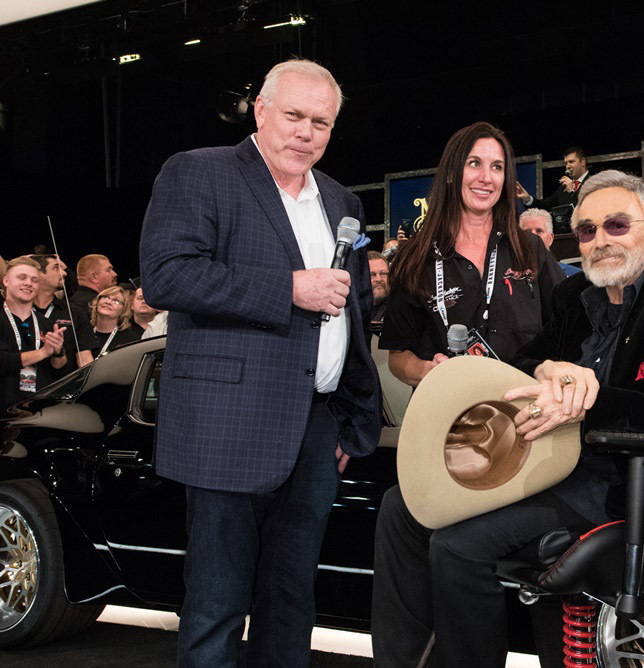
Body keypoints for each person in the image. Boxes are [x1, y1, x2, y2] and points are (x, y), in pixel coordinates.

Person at [371, 169, 644, 666]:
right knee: (400, 510)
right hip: (551, 462)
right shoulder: (572, 298)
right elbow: (517, 367)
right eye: (587, 231)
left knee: (459, 546)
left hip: (624, 481)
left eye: (616, 226)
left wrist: (593, 400)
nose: (600, 240)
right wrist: (547, 367)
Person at [139, 58, 381, 666]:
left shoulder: (340, 198)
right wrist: (287, 289)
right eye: (294, 115)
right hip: (228, 425)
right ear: (261, 109)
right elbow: (168, 275)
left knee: (291, 601)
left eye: (321, 122)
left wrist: (354, 416)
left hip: (316, 428)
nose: (306, 132)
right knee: (217, 603)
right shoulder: (199, 172)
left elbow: (352, 316)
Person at [380, 121, 565, 387]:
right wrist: (426, 370)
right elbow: (397, 355)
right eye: (474, 163)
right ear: (451, 173)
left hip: (525, 412)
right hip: (450, 415)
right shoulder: (415, 258)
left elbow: (568, 326)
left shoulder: (530, 249)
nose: (486, 178)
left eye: (497, 167)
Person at [1, 257, 67, 408]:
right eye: (21, 277)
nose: (28, 283)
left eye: (34, 280)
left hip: (38, 411)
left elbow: (60, 370)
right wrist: (43, 352)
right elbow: (3, 361)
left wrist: (58, 352)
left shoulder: (47, 323)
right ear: (6, 281)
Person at [515, 145, 591, 212]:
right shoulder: (563, 188)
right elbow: (547, 205)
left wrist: (572, 192)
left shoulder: (593, 183)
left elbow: (587, 207)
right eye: (566, 163)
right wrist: (528, 199)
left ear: (583, 162)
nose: (567, 166)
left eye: (571, 162)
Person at [519, 207, 582, 276]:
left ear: (550, 239)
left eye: (539, 231)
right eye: (527, 232)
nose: (533, 236)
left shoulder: (575, 275)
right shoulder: (508, 275)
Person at [87, 285, 141, 356]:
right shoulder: (84, 331)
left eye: (116, 301)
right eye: (105, 297)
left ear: (123, 310)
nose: (108, 302)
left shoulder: (130, 339)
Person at [367, 250, 389, 325]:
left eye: (383, 273)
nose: (379, 279)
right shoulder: (350, 310)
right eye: (372, 274)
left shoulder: (399, 309)